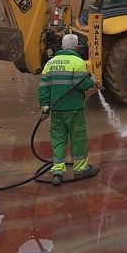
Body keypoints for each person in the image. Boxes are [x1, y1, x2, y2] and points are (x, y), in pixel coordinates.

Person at [38, 34, 98, 185]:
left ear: (62, 47)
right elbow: (81, 84)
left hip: (56, 109)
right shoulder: (77, 62)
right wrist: (93, 80)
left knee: (58, 139)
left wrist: (44, 106)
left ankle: (57, 171)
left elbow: (43, 88)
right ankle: (80, 170)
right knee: (78, 139)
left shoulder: (50, 63)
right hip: (73, 109)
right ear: (77, 47)